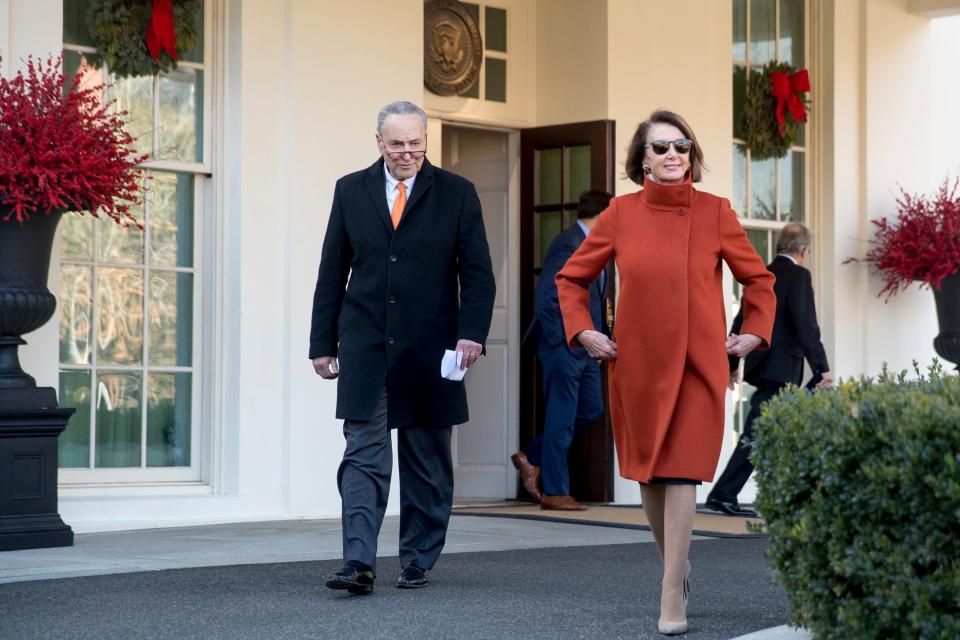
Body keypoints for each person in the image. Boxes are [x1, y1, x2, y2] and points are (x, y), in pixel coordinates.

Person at [555, 110, 776, 635]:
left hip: (701, 363)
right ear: (643, 160)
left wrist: (754, 332)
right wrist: (584, 331)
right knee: (648, 476)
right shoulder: (620, 213)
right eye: (660, 148)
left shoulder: (716, 211)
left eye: (681, 146)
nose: (672, 154)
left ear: (691, 156)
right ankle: (676, 567)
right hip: (636, 364)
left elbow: (760, 280)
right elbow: (571, 279)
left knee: (680, 471)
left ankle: (670, 589)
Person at [310, 101, 496, 594]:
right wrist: (322, 343)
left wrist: (471, 333)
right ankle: (358, 562)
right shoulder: (351, 190)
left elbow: (478, 274)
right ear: (379, 143)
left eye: (416, 143)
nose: (408, 152)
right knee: (363, 454)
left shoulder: (457, 193)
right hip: (366, 344)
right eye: (398, 144)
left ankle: (417, 558)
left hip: (432, 346)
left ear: (426, 141)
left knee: (427, 458)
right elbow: (332, 270)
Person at [706, 223, 832, 517]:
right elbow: (806, 324)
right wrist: (822, 367)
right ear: (803, 251)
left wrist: (733, 364)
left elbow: (742, 320)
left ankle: (738, 493)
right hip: (782, 368)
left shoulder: (764, 272)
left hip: (760, 362)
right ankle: (724, 494)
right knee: (758, 430)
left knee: (768, 429)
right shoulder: (800, 275)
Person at [511, 190, 613, 511]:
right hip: (564, 345)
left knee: (590, 408)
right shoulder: (567, 243)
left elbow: (596, 300)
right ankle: (555, 492)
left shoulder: (597, 248)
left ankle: (533, 456)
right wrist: (565, 342)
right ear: (604, 216)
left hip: (585, 349)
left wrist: (604, 338)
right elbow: (550, 296)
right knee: (562, 415)